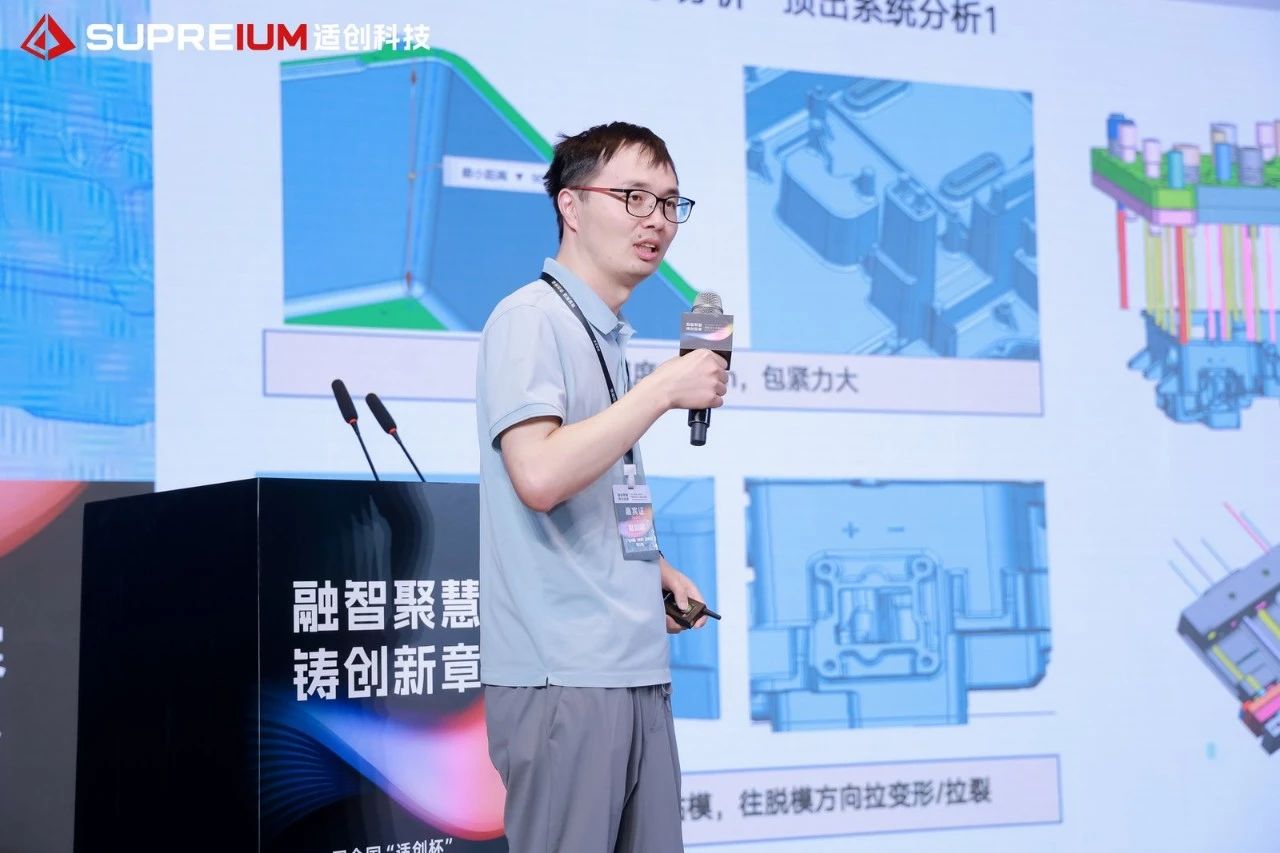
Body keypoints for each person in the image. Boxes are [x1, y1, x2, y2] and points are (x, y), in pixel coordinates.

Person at [475, 122, 727, 852]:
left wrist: (654, 568)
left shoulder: (605, 335)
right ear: (571, 205)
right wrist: (662, 390)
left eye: (670, 203)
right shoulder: (531, 318)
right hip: (565, 672)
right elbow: (539, 474)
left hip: (631, 664)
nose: (657, 220)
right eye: (634, 197)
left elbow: (605, 480)